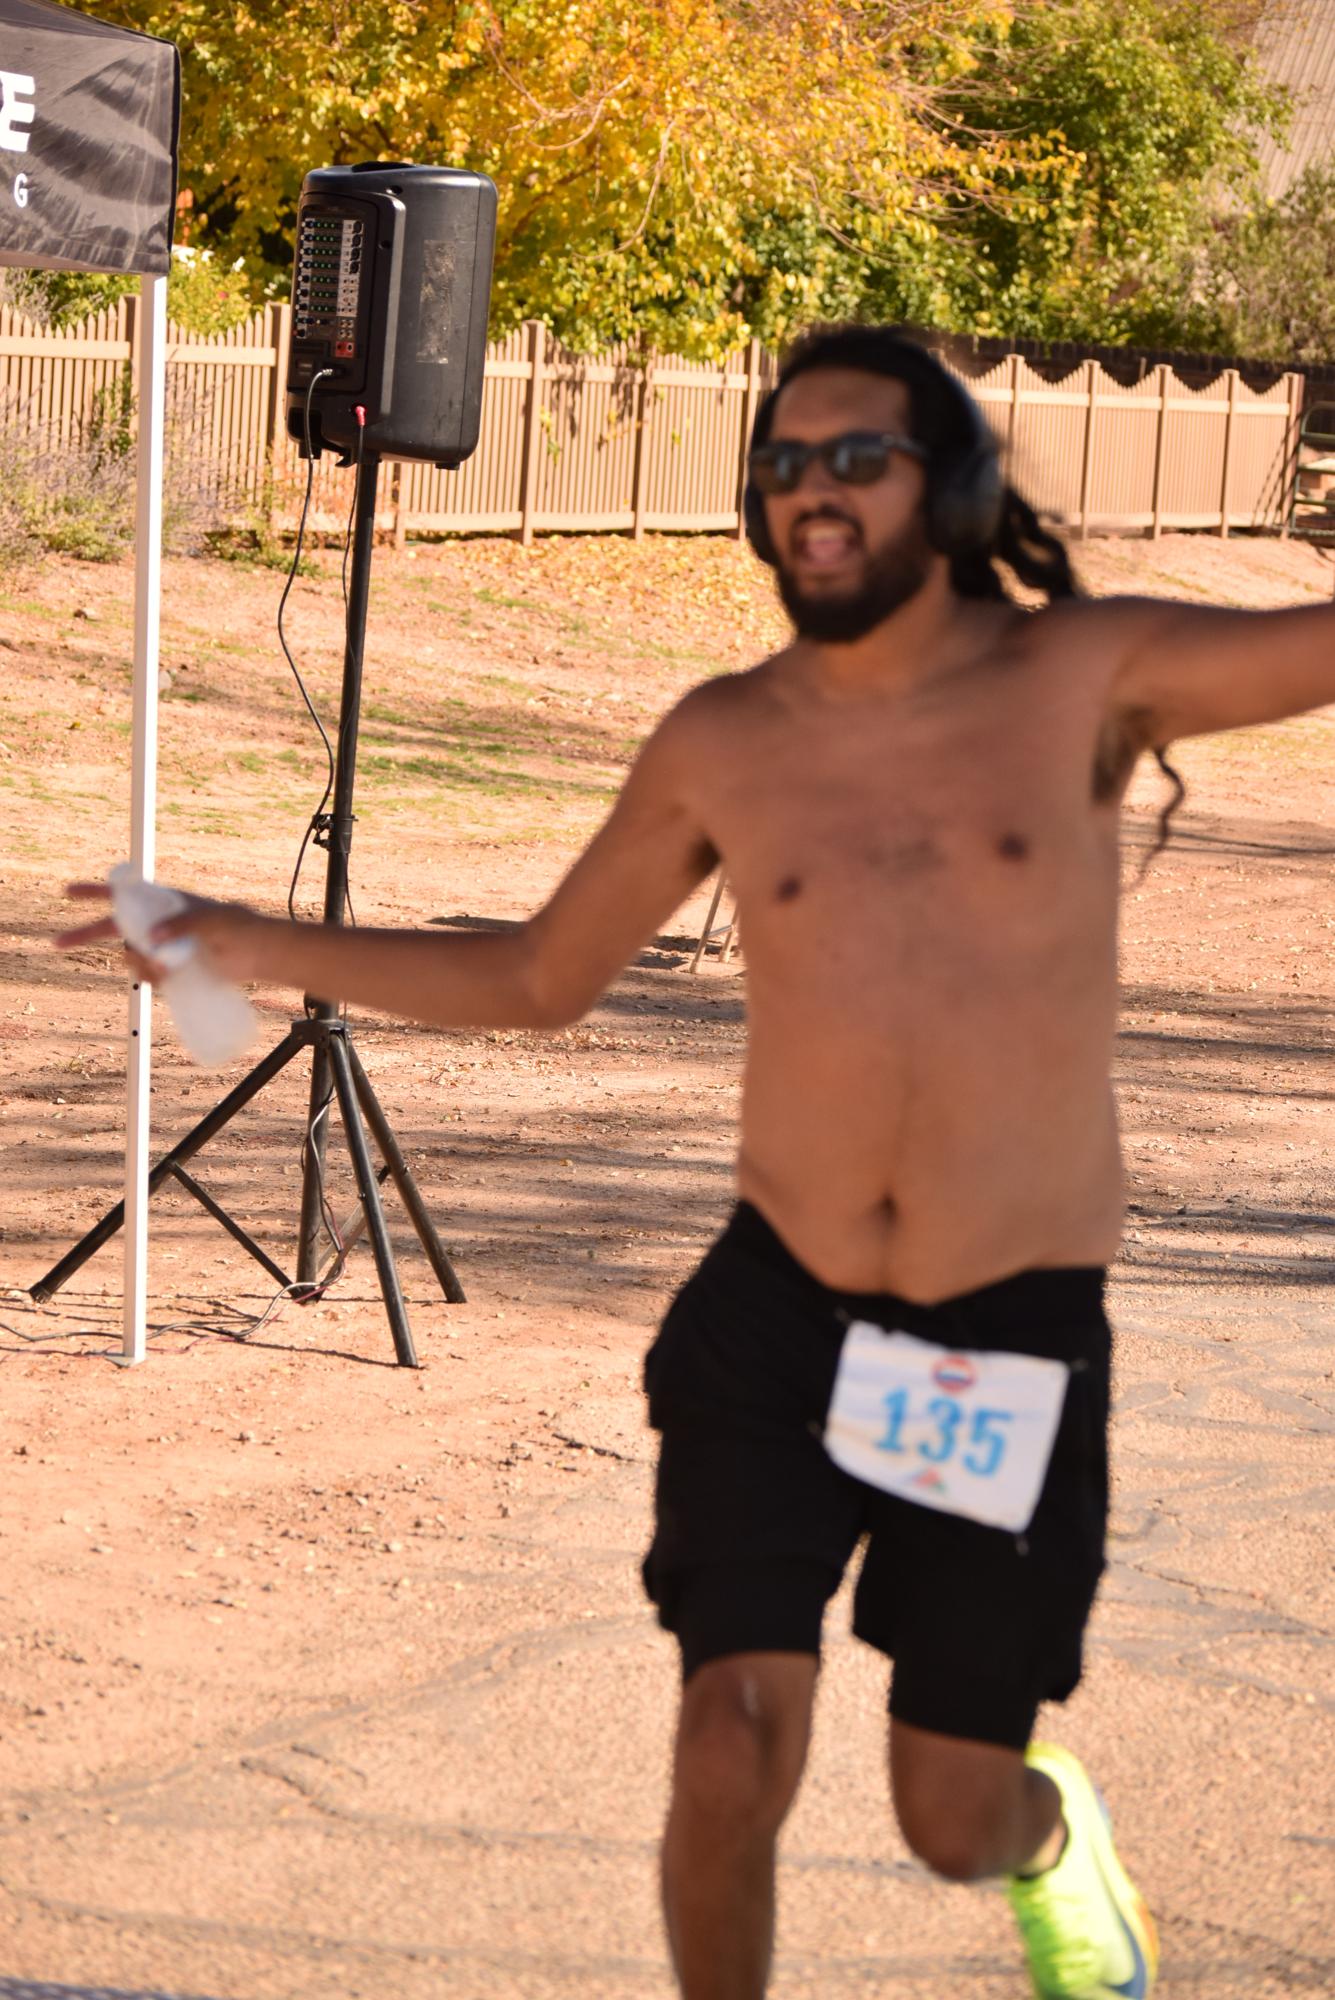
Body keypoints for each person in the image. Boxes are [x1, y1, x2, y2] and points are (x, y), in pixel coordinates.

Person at [58, 324, 1335, 2000]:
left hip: (994, 1339)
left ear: (950, 487)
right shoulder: (727, 738)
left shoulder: (1085, 675)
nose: (811, 491)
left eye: (856, 458)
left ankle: (1046, 1839)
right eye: (783, 464)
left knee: (951, 1815)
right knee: (729, 1744)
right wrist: (246, 934)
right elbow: (540, 975)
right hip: (780, 1317)